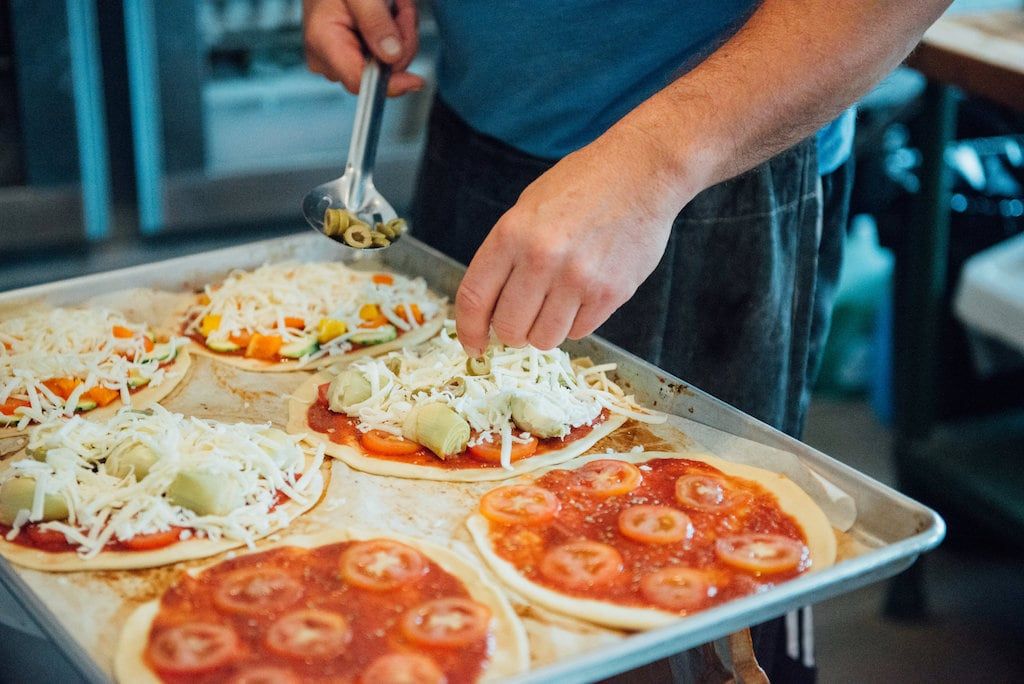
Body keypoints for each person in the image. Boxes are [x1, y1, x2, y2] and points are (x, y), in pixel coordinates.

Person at [303, 0, 951, 679]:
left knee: (699, 649)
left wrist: (658, 162)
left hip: (704, 170)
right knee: (437, 585)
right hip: (470, 129)